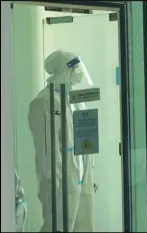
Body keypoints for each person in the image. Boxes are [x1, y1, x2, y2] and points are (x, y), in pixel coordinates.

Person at [28, 50, 95, 232]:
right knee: (58, 226)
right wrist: (54, 184)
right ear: (63, 71)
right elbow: (46, 149)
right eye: (75, 67)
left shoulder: (74, 99)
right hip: (61, 181)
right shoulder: (43, 102)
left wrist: (89, 173)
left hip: (80, 176)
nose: (79, 72)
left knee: (83, 226)